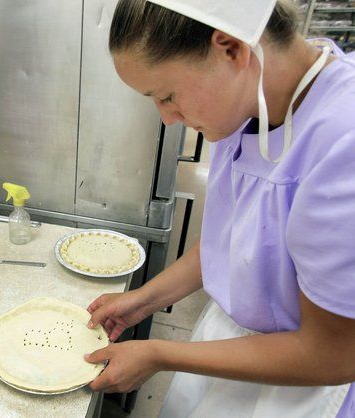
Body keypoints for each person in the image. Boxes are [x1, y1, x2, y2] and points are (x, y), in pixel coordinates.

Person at [83, 0, 355, 416]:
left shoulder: (342, 148)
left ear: (230, 48)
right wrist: (142, 300)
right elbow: (234, 240)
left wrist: (160, 354)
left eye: (167, 96)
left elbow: (334, 354)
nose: (168, 118)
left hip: (301, 385)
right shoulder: (251, 98)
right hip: (233, 349)